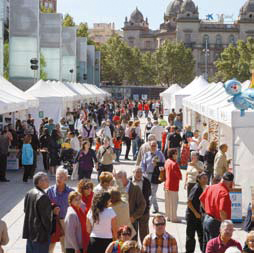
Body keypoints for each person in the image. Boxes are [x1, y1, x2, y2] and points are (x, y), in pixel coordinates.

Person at [200, 172, 234, 252]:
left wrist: (208, 211)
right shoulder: (224, 193)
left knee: (207, 246)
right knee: (215, 247)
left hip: (206, 219)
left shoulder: (211, 187)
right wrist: (225, 226)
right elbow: (222, 211)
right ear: (230, 182)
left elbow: (202, 200)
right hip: (215, 223)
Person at [23, 172, 52, 253]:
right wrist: (49, 230)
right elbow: (46, 218)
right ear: (39, 182)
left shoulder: (29, 192)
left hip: (30, 232)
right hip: (40, 235)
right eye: (45, 179)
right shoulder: (43, 196)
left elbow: (26, 210)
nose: (48, 181)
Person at [47, 167, 74, 253]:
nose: (59, 178)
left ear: (66, 178)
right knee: (51, 245)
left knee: (65, 245)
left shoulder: (70, 191)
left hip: (65, 221)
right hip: (53, 221)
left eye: (61, 176)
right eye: (57, 176)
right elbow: (45, 206)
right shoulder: (50, 191)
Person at [115, 171, 146, 238]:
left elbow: (142, 204)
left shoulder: (135, 188)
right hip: (119, 221)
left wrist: (134, 217)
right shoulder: (116, 188)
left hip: (131, 221)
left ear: (125, 177)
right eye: (117, 178)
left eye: (119, 178)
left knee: (132, 242)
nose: (118, 180)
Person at [185, 172, 208, 253]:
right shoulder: (196, 188)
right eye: (204, 178)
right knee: (190, 236)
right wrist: (195, 213)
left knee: (201, 235)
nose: (206, 180)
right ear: (198, 179)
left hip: (199, 216)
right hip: (192, 216)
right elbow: (189, 202)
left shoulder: (202, 188)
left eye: (206, 178)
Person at [141, 141, 165, 213]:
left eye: (154, 146)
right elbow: (143, 164)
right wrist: (143, 172)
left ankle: (147, 209)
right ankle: (156, 208)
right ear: (149, 146)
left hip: (155, 175)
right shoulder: (146, 154)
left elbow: (164, 164)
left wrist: (157, 164)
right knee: (149, 192)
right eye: (152, 145)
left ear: (157, 146)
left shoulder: (160, 154)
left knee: (153, 193)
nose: (153, 147)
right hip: (147, 175)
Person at [129, 167, 151, 242]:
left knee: (144, 233)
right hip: (132, 212)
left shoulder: (146, 181)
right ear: (133, 173)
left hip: (144, 211)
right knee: (132, 233)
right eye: (137, 172)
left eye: (140, 172)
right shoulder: (129, 181)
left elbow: (149, 194)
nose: (139, 174)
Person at [164, 148, 182, 223]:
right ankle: (173, 218)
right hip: (173, 185)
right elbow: (179, 176)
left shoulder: (167, 161)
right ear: (173, 154)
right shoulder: (174, 164)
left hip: (167, 184)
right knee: (174, 203)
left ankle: (168, 216)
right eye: (176, 154)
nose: (177, 155)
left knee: (168, 202)